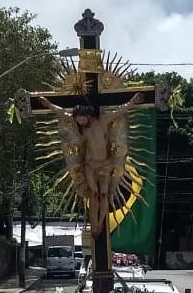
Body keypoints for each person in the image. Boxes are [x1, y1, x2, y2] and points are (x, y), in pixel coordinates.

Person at [38, 92, 143, 236]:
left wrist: (132, 101)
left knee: (104, 194)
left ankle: (100, 222)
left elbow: (120, 110)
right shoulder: (81, 126)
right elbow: (62, 113)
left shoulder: (103, 121)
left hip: (105, 165)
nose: (80, 123)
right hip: (90, 166)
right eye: (78, 121)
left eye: (81, 120)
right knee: (94, 195)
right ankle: (94, 225)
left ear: (86, 115)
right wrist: (48, 104)